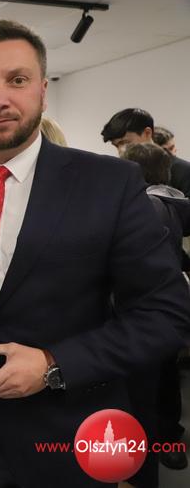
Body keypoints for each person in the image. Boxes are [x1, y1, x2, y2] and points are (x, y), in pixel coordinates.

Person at [0, 19, 190, 488]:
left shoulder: (108, 184)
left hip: (69, 434)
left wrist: (54, 364)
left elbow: (165, 313)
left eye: (17, 80)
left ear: (42, 90)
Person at [121, 142, 190, 474]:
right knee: (166, 378)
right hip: (169, 308)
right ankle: (170, 442)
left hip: (141, 308)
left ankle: (144, 453)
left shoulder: (143, 206)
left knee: (144, 387)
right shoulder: (173, 202)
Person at [102, 108, 190, 197]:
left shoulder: (184, 172)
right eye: (116, 146)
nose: (121, 150)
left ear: (147, 133)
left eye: (125, 142)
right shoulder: (123, 173)